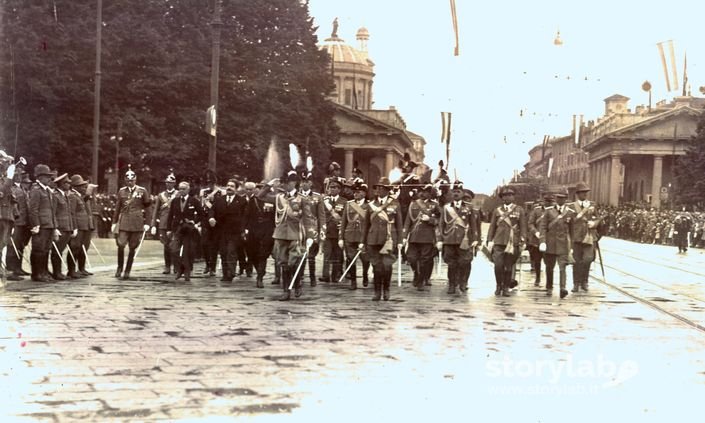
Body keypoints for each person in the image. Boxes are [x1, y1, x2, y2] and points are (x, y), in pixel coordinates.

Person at [262, 170, 312, 301]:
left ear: (293, 183)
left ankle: (296, 284)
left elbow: (307, 218)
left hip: (295, 234)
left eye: (286, 182)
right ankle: (286, 291)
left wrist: (310, 236)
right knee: (282, 263)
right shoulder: (279, 197)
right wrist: (269, 185)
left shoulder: (302, 199)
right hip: (280, 234)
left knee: (293, 262)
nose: (283, 185)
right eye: (282, 182)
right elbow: (261, 196)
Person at [364, 177, 404, 301]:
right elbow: (366, 225)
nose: (379, 190)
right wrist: (362, 241)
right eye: (377, 188)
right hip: (373, 239)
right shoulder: (371, 205)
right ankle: (377, 292)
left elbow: (399, 224)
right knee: (376, 266)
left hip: (389, 239)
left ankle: (386, 290)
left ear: (387, 190)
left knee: (387, 266)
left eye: (382, 188)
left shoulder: (395, 204)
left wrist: (400, 241)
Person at [440, 182, 481, 294]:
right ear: (451, 193)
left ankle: (463, 282)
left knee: (464, 262)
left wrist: (475, 239)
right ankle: (452, 285)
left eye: (458, 191)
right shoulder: (446, 208)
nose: (456, 193)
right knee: (451, 264)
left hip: (465, 240)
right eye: (454, 191)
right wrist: (440, 239)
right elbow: (441, 225)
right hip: (450, 239)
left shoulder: (469, 207)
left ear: (462, 193)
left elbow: (473, 225)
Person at [112, 165, 152, 280]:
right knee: (120, 245)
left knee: (133, 247)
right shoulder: (121, 192)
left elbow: (148, 208)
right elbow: (117, 208)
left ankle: (127, 270)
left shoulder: (142, 191)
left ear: (136, 180)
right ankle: (119, 268)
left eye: (132, 180)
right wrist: (114, 222)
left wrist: (147, 223)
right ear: (125, 180)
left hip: (137, 222)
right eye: (128, 180)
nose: (130, 182)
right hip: (124, 222)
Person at [486, 186, 527, 297]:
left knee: (508, 266)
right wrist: (489, 240)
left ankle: (505, 288)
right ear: (502, 198)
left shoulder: (519, 210)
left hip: (513, 242)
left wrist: (523, 240)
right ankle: (498, 285)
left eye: (510, 195)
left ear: (513, 197)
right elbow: (492, 226)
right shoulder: (497, 211)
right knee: (498, 265)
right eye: (505, 195)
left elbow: (523, 226)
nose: (508, 197)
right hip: (499, 241)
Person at [403, 184, 441, 291]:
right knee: (411, 258)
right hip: (414, 236)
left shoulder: (435, 205)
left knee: (425, 260)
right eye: (421, 191)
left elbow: (440, 220)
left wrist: (430, 219)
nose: (423, 194)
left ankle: (421, 279)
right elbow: (407, 221)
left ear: (430, 193)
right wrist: (404, 236)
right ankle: (417, 273)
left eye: (426, 192)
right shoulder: (413, 204)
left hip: (427, 237)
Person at [167, 181, 205, 282]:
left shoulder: (194, 201)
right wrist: (169, 229)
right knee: (174, 249)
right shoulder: (175, 201)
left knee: (187, 252)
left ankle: (187, 271)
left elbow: (202, 214)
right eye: (180, 189)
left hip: (189, 229)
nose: (181, 191)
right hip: (178, 228)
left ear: (188, 189)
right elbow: (170, 216)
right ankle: (180, 269)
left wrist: (195, 222)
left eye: (183, 189)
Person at [209, 179, 245, 282]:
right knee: (223, 252)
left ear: (236, 188)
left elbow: (244, 216)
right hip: (221, 231)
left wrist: (243, 229)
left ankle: (231, 272)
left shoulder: (241, 201)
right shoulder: (220, 199)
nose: (229, 188)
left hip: (235, 231)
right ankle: (225, 274)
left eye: (232, 186)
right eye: (228, 185)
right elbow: (212, 210)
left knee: (231, 251)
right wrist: (211, 218)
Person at [539, 191, 573, 298]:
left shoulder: (569, 212)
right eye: (559, 198)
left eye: (563, 198)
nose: (560, 200)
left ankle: (562, 288)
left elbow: (572, 231)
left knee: (563, 267)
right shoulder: (549, 211)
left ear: (566, 199)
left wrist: (571, 246)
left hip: (563, 244)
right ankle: (549, 287)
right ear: (556, 199)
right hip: (550, 243)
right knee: (550, 267)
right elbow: (543, 227)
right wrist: (543, 241)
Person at [569, 182, 602, 292]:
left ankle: (585, 281)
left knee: (588, 259)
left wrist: (594, 223)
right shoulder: (571, 206)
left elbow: (598, 218)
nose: (585, 194)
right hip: (576, 237)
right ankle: (576, 283)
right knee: (576, 261)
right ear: (577, 194)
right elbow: (570, 221)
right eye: (582, 192)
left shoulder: (592, 205)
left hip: (589, 236)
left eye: (586, 192)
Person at [28, 164, 58, 282]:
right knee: (38, 249)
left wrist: (54, 226)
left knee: (46, 249)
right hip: (41, 225)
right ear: (40, 177)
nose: (49, 179)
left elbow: (52, 210)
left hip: (49, 224)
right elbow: (33, 209)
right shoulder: (36, 190)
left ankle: (44, 271)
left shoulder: (48, 191)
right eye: (46, 176)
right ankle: (37, 273)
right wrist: (36, 224)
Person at [339, 179, 371, 290]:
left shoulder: (369, 206)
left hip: (363, 237)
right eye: (355, 192)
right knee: (350, 259)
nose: (356, 193)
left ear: (364, 194)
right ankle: (353, 281)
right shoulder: (348, 205)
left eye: (359, 192)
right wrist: (341, 238)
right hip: (350, 236)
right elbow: (343, 223)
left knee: (365, 259)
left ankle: (365, 275)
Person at [243, 181, 275, 288]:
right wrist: (245, 229)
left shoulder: (273, 200)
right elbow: (247, 215)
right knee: (252, 253)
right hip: (254, 230)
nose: (262, 191)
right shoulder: (254, 200)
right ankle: (260, 271)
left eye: (264, 189)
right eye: (260, 188)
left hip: (267, 230)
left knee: (263, 254)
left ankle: (260, 277)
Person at [298, 171, 324, 285]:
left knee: (312, 255)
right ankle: (300, 276)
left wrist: (322, 229)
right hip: (299, 228)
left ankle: (313, 277)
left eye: (307, 181)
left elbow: (321, 215)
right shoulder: (297, 196)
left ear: (311, 183)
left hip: (313, 228)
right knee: (300, 253)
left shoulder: (317, 197)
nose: (304, 184)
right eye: (303, 181)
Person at [6, 167, 31, 281]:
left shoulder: (22, 188)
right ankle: (11, 269)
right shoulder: (12, 188)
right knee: (13, 246)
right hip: (16, 221)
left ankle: (18, 267)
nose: (19, 176)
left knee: (20, 245)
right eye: (18, 175)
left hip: (24, 222)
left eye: (21, 175)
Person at [67, 175, 93, 278]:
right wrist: (74, 227)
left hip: (85, 226)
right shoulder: (73, 196)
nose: (84, 188)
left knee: (83, 248)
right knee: (75, 247)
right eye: (82, 186)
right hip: (78, 225)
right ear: (75, 187)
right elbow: (72, 213)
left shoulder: (80, 197)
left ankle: (81, 268)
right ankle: (71, 270)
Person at [150, 171, 177, 274]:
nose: (168, 184)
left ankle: (176, 266)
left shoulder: (178, 194)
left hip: (174, 223)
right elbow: (156, 210)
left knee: (174, 245)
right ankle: (167, 266)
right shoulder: (161, 195)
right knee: (166, 245)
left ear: (174, 183)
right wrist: (153, 225)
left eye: (170, 183)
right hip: (164, 223)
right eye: (166, 182)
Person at [321, 178, 346, 284]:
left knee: (337, 255)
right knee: (326, 254)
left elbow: (345, 217)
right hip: (327, 231)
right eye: (331, 187)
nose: (332, 189)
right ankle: (325, 275)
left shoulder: (344, 201)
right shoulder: (324, 201)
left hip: (338, 232)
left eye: (334, 187)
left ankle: (335, 275)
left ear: (339, 190)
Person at [50, 173, 75, 280]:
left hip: (67, 227)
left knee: (61, 250)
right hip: (60, 227)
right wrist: (55, 228)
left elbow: (69, 213)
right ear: (61, 184)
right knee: (57, 251)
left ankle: (59, 272)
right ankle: (57, 272)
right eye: (67, 182)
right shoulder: (56, 196)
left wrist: (72, 227)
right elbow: (53, 213)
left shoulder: (65, 195)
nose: (69, 184)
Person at [526, 198, 544, 287]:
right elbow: (530, 223)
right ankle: (537, 277)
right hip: (537, 239)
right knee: (537, 260)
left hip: (549, 239)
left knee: (549, 262)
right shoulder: (536, 212)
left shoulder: (554, 211)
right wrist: (535, 232)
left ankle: (549, 281)